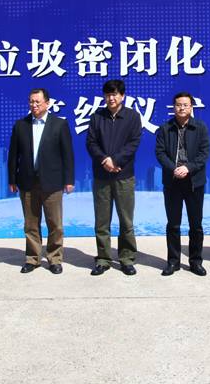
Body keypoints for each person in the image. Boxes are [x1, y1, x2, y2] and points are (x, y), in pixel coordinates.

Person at [8, 88, 75, 274]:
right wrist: (12, 178)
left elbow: (67, 155)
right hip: (27, 182)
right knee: (31, 224)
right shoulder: (21, 125)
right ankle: (33, 258)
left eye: (37, 102)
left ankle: (55, 258)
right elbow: (13, 155)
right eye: (31, 101)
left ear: (47, 103)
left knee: (55, 224)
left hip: (52, 182)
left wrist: (69, 180)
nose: (34, 105)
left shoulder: (59, 124)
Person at [85, 79, 142, 276]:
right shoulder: (97, 117)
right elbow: (91, 143)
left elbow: (134, 143)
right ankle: (103, 259)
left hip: (124, 175)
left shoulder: (133, 117)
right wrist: (104, 160)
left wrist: (116, 160)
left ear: (122, 96)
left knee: (126, 220)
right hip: (102, 176)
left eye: (115, 94)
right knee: (102, 221)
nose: (111, 98)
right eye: (108, 95)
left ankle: (127, 258)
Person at [154, 92, 210, 277]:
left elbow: (204, 153)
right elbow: (160, 153)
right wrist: (174, 169)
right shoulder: (165, 128)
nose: (182, 108)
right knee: (173, 224)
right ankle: (173, 261)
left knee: (196, 225)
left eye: (185, 105)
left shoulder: (200, 127)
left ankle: (196, 262)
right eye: (178, 105)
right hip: (172, 182)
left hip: (194, 182)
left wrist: (188, 168)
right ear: (174, 107)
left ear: (191, 107)